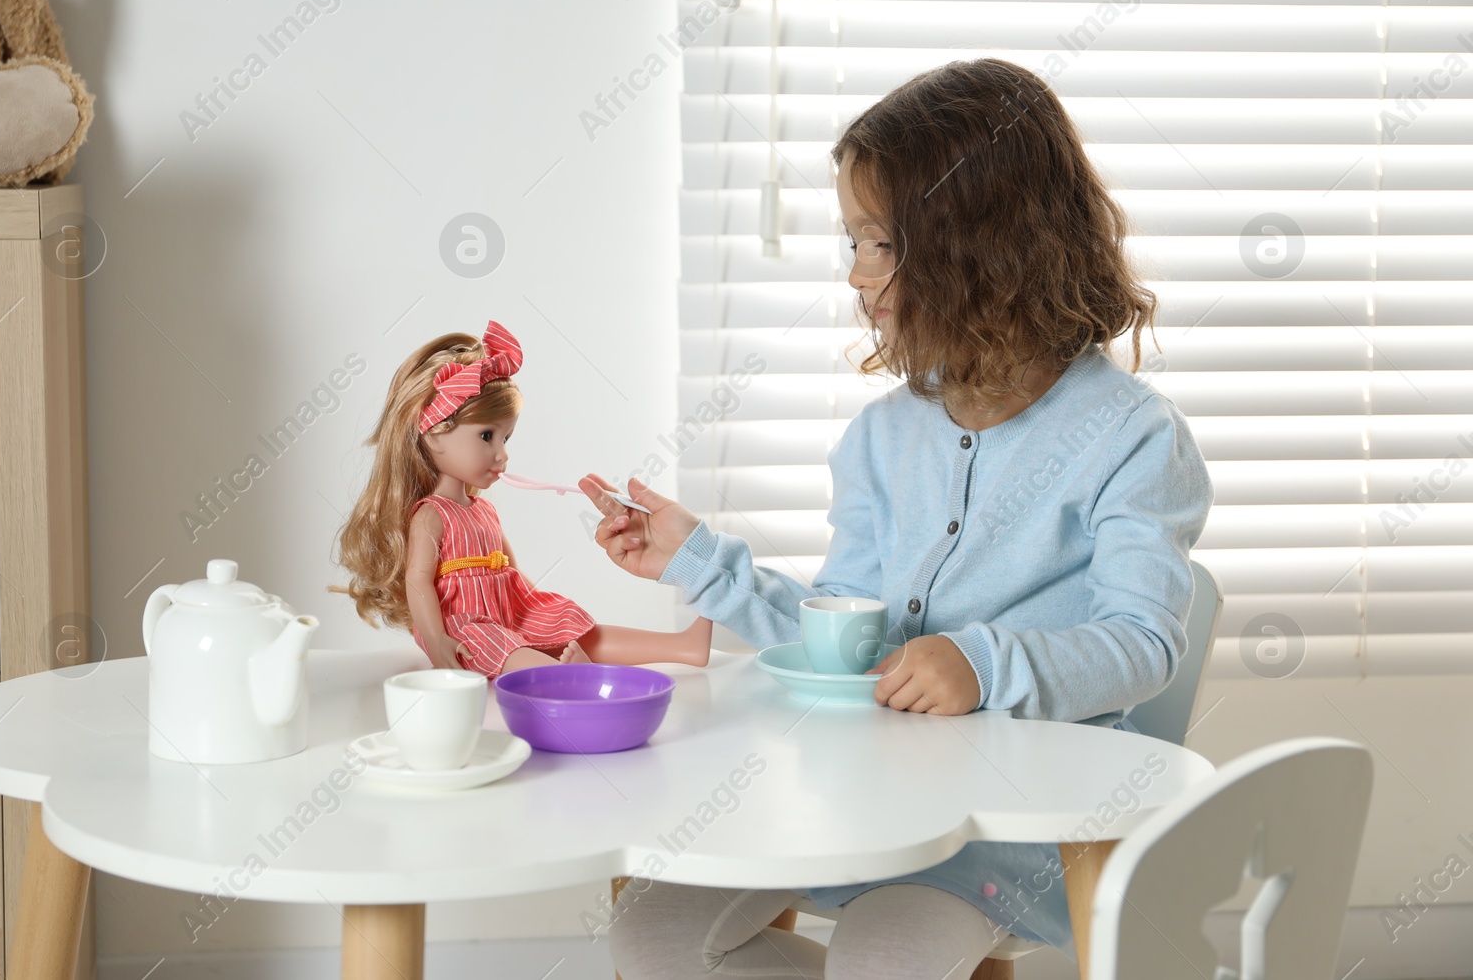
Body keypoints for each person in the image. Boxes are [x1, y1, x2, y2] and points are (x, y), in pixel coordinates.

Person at [579, 58, 1213, 978]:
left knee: (882, 959)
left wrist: (982, 663)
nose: (854, 274)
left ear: (979, 247)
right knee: (651, 931)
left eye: (876, 244)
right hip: (854, 802)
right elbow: (844, 641)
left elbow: (1142, 641)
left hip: (1006, 830)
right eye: (852, 242)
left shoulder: (1131, 436)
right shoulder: (884, 436)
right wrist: (700, 561)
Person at [331, 320, 712, 677]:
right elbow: (418, 580)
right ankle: (572, 678)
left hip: (506, 609)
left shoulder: (483, 510)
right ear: (433, 433)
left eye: (506, 438)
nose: (502, 454)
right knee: (514, 653)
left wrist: (536, 606)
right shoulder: (431, 515)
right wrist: (436, 638)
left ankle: (682, 647)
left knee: (581, 632)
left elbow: (510, 567)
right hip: (467, 625)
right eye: (486, 436)